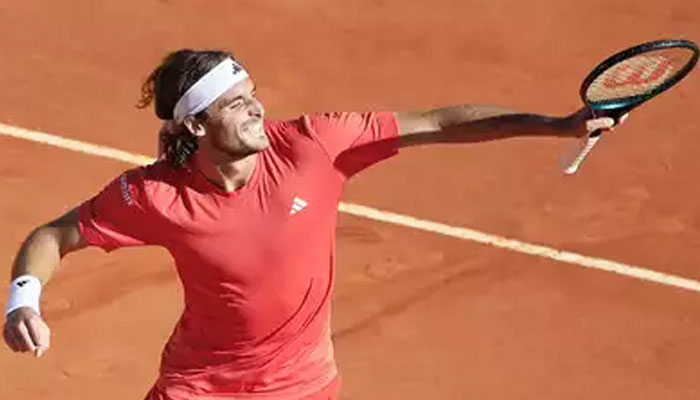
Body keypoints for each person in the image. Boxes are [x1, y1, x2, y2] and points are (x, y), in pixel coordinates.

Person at [3, 49, 624, 399]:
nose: (257, 108)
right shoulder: (156, 194)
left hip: (301, 387)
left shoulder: (311, 145)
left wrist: (554, 124)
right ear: (195, 125)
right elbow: (55, 235)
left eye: (253, 93)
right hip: (199, 389)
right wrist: (22, 300)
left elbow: (437, 123)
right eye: (236, 103)